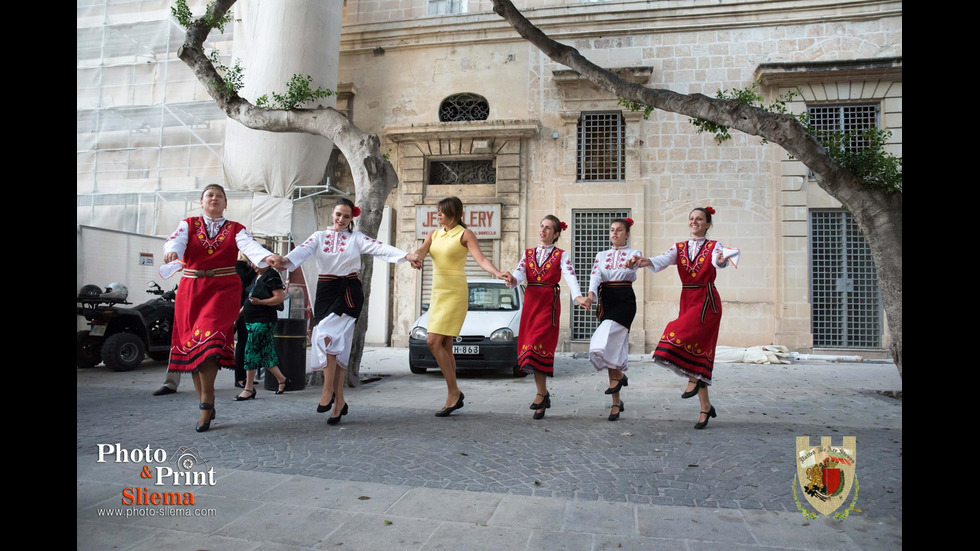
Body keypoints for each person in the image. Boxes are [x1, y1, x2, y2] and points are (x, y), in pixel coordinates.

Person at [283, 198, 421, 425]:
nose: (341, 219)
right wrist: (283, 260)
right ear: (332, 214)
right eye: (338, 214)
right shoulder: (319, 237)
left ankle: (328, 391)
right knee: (333, 346)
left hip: (348, 292)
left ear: (351, 219)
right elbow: (301, 251)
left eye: (346, 216)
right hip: (325, 291)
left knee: (325, 336)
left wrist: (406, 255)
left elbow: (379, 247)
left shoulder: (356, 238)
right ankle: (339, 402)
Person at [164, 184, 281, 432]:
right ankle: (205, 401)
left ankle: (206, 404)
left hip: (222, 290)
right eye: (210, 195)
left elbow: (249, 246)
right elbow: (176, 241)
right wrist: (172, 252)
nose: (214, 198)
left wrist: (265, 257)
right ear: (202, 201)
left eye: (219, 196)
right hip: (191, 289)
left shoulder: (235, 229)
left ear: (226, 204)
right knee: (193, 347)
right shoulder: (189, 224)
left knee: (209, 342)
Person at [629, 206, 739, 429]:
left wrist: (720, 259)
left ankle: (692, 381)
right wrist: (645, 261)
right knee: (696, 352)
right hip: (688, 298)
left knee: (676, 332)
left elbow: (721, 261)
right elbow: (663, 259)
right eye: (691, 218)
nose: (694, 222)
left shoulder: (713, 246)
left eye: (699, 219)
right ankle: (705, 407)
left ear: (708, 224)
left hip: (707, 300)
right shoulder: (679, 247)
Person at [412, 196, 508, 417]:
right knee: (445, 345)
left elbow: (481, 259)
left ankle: (454, 392)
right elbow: (422, 251)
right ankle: (452, 395)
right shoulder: (433, 234)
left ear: (453, 213)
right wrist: (413, 257)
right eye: (437, 212)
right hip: (437, 293)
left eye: (441, 212)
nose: (438, 215)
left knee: (432, 340)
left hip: (455, 293)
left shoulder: (465, 234)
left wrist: (497, 272)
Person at [502, 215, 590, 420]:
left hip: (548, 305)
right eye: (541, 226)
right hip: (531, 305)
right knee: (532, 350)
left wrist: (578, 297)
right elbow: (518, 276)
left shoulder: (561, 255)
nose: (543, 230)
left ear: (556, 233)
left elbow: (570, 276)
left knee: (536, 346)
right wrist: (511, 279)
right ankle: (542, 394)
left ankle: (541, 394)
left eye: (548, 228)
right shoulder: (528, 253)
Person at [587, 218, 642, 421]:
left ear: (627, 234)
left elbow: (632, 268)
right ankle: (616, 403)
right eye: (612, 230)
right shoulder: (601, 255)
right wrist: (591, 295)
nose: (614, 233)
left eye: (619, 230)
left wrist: (630, 264)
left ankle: (618, 379)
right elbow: (595, 277)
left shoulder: (635, 253)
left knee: (606, 341)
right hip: (608, 301)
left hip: (625, 301)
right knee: (612, 348)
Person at [233, 261, 291, 401]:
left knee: (250, 351)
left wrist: (261, 303)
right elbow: (250, 297)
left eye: (256, 262)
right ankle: (283, 381)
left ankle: (248, 388)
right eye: (252, 262)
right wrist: (238, 314)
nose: (252, 266)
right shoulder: (257, 275)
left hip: (263, 320)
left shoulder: (272, 276)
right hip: (250, 319)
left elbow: (279, 298)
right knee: (266, 354)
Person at [234, 254, 258, 389]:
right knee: (243, 344)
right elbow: (243, 286)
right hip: (239, 308)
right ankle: (240, 377)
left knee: (247, 343)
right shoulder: (240, 266)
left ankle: (246, 377)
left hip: (246, 309)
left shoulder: (247, 268)